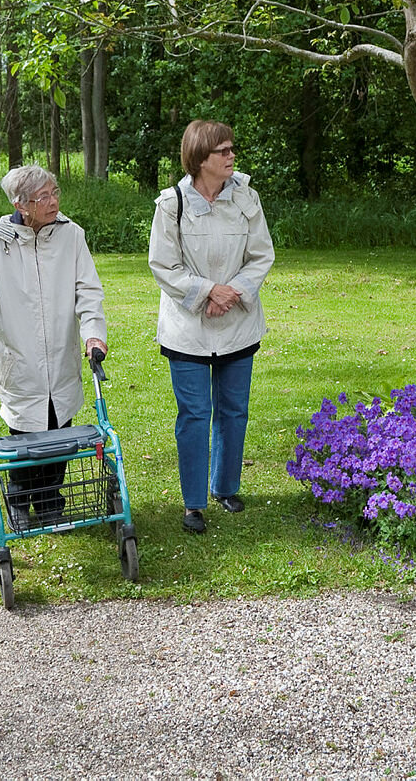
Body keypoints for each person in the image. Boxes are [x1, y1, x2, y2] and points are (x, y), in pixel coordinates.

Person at [0, 164, 107, 530]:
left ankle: (51, 499)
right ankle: (19, 500)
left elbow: (88, 292)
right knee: (25, 439)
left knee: (61, 431)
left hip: (61, 357)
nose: (53, 202)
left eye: (55, 192)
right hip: (18, 360)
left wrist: (94, 334)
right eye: (43, 197)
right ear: (21, 205)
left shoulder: (72, 236)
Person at [148, 120, 275, 535]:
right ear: (201, 158)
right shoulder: (172, 204)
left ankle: (226, 487)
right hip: (188, 328)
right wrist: (208, 292)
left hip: (237, 323)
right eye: (223, 150)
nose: (231, 155)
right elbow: (164, 266)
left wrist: (231, 292)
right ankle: (193, 503)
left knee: (234, 410)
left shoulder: (246, 198)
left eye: (231, 149)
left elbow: (261, 255)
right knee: (195, 414)